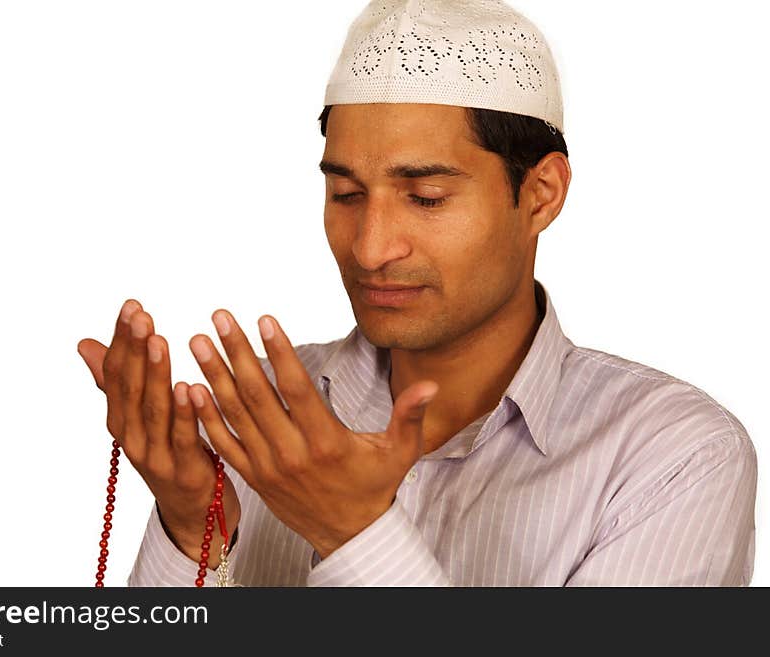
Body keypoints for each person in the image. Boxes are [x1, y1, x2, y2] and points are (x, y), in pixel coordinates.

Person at [77, 0, 757, 586]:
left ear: (541, 194)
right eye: (345, 193)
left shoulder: (674, 457)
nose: (370, 248)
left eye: (425, 198)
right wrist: (192, 526)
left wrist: (356, 534)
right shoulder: (257, 417)